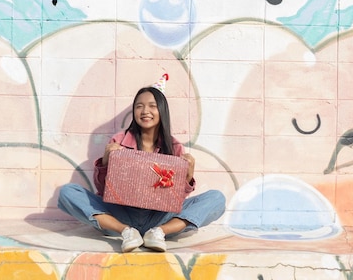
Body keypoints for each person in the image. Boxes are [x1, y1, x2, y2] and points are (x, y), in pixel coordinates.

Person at [57, 77, 226, 252]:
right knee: (68, 192)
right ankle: (127, 232)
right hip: (120, 215)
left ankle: (158, 233)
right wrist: (106, 161)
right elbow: (103, 188)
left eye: (152, 106)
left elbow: (176, 199)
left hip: (160, 218)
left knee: (217, 198)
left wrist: (188, 175)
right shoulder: (119, 140)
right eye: (139, 106)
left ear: (162, 110)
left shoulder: (174, 146)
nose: (145, 111)